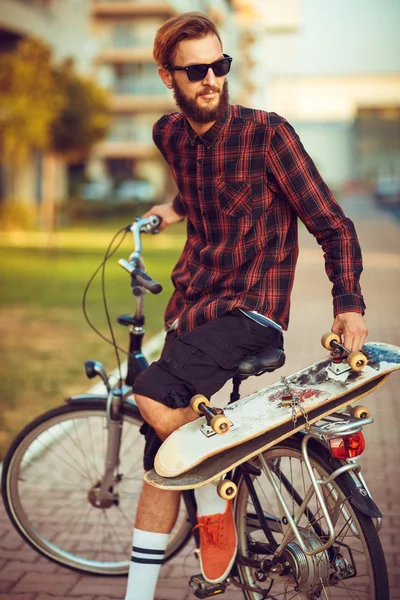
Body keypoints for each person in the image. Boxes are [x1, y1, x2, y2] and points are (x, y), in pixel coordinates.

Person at [123, 11, 368, 600]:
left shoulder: (267, 135)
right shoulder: (171, 135)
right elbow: (196, 187)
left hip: (251, 315)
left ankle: (215, 498)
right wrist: (167, 214)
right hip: (190, 314)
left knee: (149, 393)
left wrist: (349, 302)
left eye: (219, 65)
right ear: (168, 77)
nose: (211, 78)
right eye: (196, 70)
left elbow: (332, 223)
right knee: (165, 459)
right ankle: (136, 593)